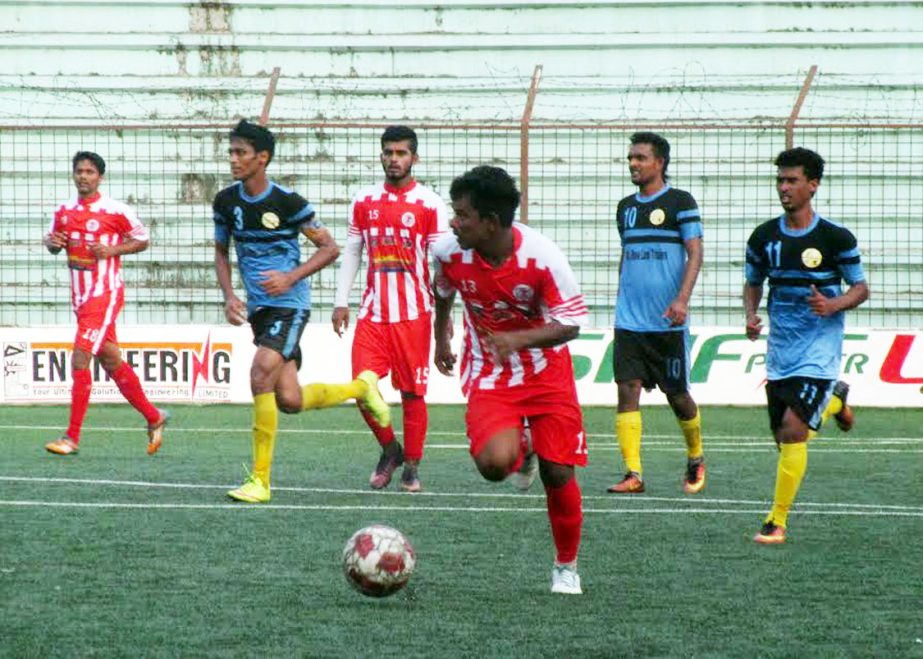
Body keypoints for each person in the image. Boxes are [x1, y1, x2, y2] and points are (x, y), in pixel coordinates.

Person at [213, 119, 390, 503]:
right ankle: (362, 387)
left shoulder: (289, 203)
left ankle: (260, 481)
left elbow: (330, 247)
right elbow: (220, 253)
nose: (233, 159)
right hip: (261, 309)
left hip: (290, 306)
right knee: (288, 400)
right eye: (231, 152)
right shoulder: (226, 202)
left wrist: (291, 276)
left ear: (263, 158)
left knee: (261, 373)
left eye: (240, 152)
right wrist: (229, 296)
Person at [432, 166, 588, 595]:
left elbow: (573, 321)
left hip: (546, 375)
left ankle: (566, 566)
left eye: (462, 215)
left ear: (491, 222)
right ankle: (522, 449)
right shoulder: (448, 251)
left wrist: (520, 338)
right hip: (490, 373)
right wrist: (441, 337)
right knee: (493, 467)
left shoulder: (543, 257)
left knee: (558, 474)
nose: (453, 222)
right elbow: (442, 291)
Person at [745, 147, 867, 544]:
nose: (784, 187)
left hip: (819, 350)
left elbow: (861, 288)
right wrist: (750, 314)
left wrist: (833, 304)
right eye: (780, 180)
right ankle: (835, 402)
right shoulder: (764, 237)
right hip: (782, 350)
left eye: (792, 180)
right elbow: (753, 282)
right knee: (784, 438)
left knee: (793, 430)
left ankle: (776, 520)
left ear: (812, 185)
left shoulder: (835, 238)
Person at [332, 126, 450, 493]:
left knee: (413, 393)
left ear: (414, 158)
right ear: (381, 155)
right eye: (388, 152)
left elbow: (443, 265)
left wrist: (444, 327)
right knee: (361, 389)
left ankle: (412, 466)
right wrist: (341, 300)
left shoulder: (430, 204)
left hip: (414, 314)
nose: (394, 159)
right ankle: (390, 449)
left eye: (401, 153)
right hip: (373, 313)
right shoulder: (364, 200)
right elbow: (353, 250)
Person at [43, 152, 169, 456]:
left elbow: (142, 239)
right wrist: (53, 244)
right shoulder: (63, 211)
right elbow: (51, 243)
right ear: (73, 175)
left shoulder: (115, 210)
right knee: (111, 360)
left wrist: (112, 250)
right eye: (79, 171)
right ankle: (155, 416)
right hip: (81, 298)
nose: (84, 176)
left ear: (100, 177)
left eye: (90, 172)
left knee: (79, 360)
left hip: (105, 294)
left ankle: (71, 437)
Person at [607, 132, 706, 495]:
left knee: (677, 395)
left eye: (641, 158)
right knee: (626, 390)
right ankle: (633, 472)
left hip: (667, 320)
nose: (633, 164)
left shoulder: (681, 202)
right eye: (631, 158)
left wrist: (682, 299)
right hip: (629, 320)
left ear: (659, 162)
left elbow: (694, 253)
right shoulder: (625, 208)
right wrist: (621, 297)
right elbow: (627, 255)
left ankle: (695, 455)